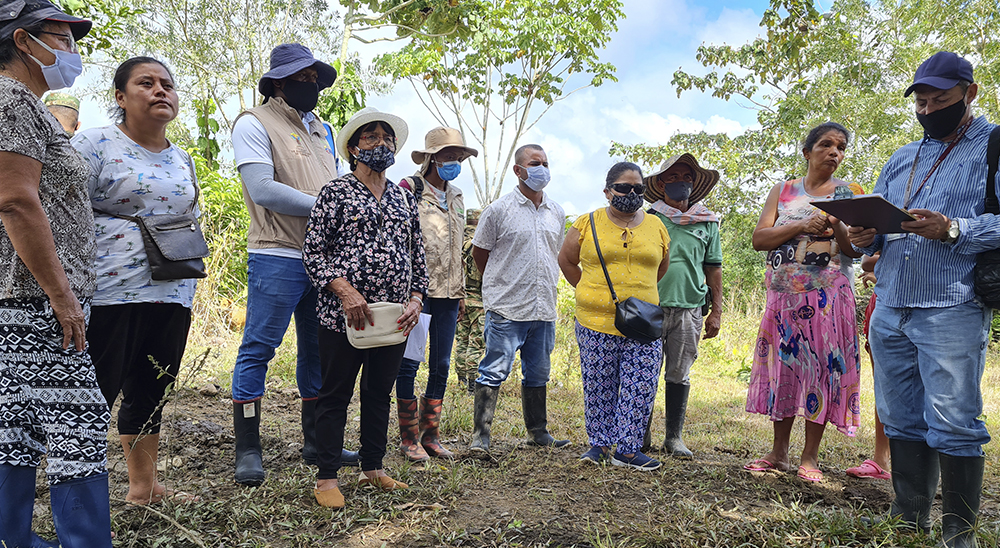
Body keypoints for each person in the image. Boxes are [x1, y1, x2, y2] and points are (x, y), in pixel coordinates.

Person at [849, 51, 1000, 547]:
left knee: (955, 417)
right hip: (891, 302)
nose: (929, 109)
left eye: (941, 100)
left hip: (951, 302)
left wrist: (953, 227)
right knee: (899, 415)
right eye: (922, 102)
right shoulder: (901, 157)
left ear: (970, 94)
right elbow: (873, 235)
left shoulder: (993, 145)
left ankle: (961, 531)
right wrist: (862, 234)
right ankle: (909, 515)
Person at [0, 1, 113, 545]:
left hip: (25, 296)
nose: (71, 50)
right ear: (24, 41)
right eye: (62, 38)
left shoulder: (27, 105)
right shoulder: (10, 99)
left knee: (16, 427)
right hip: (36, 298)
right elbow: (16, 201)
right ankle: (85, 541)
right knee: (77, 425)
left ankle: (13, 537)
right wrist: (62, 296)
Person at [71, 56, 200, 505]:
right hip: (108, 289)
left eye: (167, 84)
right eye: (146, 83)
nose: (161, 90)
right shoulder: (93, 144)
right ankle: (80, 498)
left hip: (173, 288)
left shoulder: (182, 157)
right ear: (121, 97)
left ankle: (143, 487)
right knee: (96, 392)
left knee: (152, 386)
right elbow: (64, 212)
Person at [230, 43, 357, 487]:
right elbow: (262, 188)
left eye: (315, 78)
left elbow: (339, 185)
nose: (312, 84)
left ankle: (316, 441)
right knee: (258, 349)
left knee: (318, 351)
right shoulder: (253, 123)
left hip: (321, 259)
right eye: (302, 78)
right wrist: (331, 204)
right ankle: (247, 447)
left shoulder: (321, 129)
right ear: (277, 82)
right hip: (276, 252)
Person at [303, 107, 425, 509]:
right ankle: (326, 478)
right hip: (344, 316)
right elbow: (313, 252)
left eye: (387, 137)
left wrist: (415, 300)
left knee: (379, 391)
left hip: (393, 317)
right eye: (371, 137)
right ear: (354, 148)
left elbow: (417, 258)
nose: (382, 143)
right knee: (335, 394)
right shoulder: (336, 192)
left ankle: (373, 466)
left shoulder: (404, 198)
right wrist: (345, 292)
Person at [744, 122, 862, 483]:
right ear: (807, 151)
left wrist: (838, 224)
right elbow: (760, 238)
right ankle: (778, 452)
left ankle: (809, 457)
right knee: (784, 370)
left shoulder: (851, 192)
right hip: (782, 299)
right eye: (825, 145)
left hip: (828, 300)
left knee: (821, 372)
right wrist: (801, 225)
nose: (834, 152)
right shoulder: (783, 191)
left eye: (840, 147)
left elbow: (856, 249)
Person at [558, 162, 670, 470]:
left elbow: (661, 267)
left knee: (641, 383)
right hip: (594, 321)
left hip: (644, 323)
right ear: (607, 191)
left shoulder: (657, 226)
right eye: (623, 187)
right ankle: (600, 445)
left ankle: (629, 450)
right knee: (599, 383)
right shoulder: (586, 223)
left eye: (638, 188)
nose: (631, 193)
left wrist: (639, 295)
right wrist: (588, 291)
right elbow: (566, 260)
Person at [469, 143, 570, 452]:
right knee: (494, 369)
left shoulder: (556, 211)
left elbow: (556, 254)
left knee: (538, 371)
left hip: (543, 307)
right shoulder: (499, 210)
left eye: (545, 163)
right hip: (507, 308)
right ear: (518, 170)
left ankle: (538, 432)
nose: (542, 168)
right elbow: (480, 253)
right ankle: (480, 436)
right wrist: (502, 283)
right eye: (535, 163)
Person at [395, 127, 478, 462]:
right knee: (409, 363)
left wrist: (459, 293)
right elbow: (399, 242)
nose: (454, 162)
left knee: (442, 363)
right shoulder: (408, 190)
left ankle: (432, 435)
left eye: (458, 157)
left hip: (448, 294)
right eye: (447, 156)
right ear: (430, 158)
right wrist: (405, 291)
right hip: (416, 292)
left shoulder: (457, 196)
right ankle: (408, 438)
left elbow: (457, 248)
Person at [640, 154, 723, 459]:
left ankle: (673, 437)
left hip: (689, 308)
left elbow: (713, 268)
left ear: (694, 183)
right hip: (650, 307)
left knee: (679, 372)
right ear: (661, 184)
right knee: (645, 370)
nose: (680, 183)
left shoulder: (708, 223)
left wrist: (717, 310)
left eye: (686, 177)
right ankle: (640, 433)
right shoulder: (648, 219)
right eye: (672, 178)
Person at [845, 252, 891, 480]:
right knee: (883, 386)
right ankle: (881, 459)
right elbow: (866, 260)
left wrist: (881, 266)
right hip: (884, 302)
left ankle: (914, 463)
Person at [454, 208, 485, 395]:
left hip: (459, 299)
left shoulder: (456, 240)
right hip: (479, 301)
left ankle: (461, 379)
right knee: (476, 342)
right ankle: (472, 383)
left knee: (462, 340)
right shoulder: (480, 242)